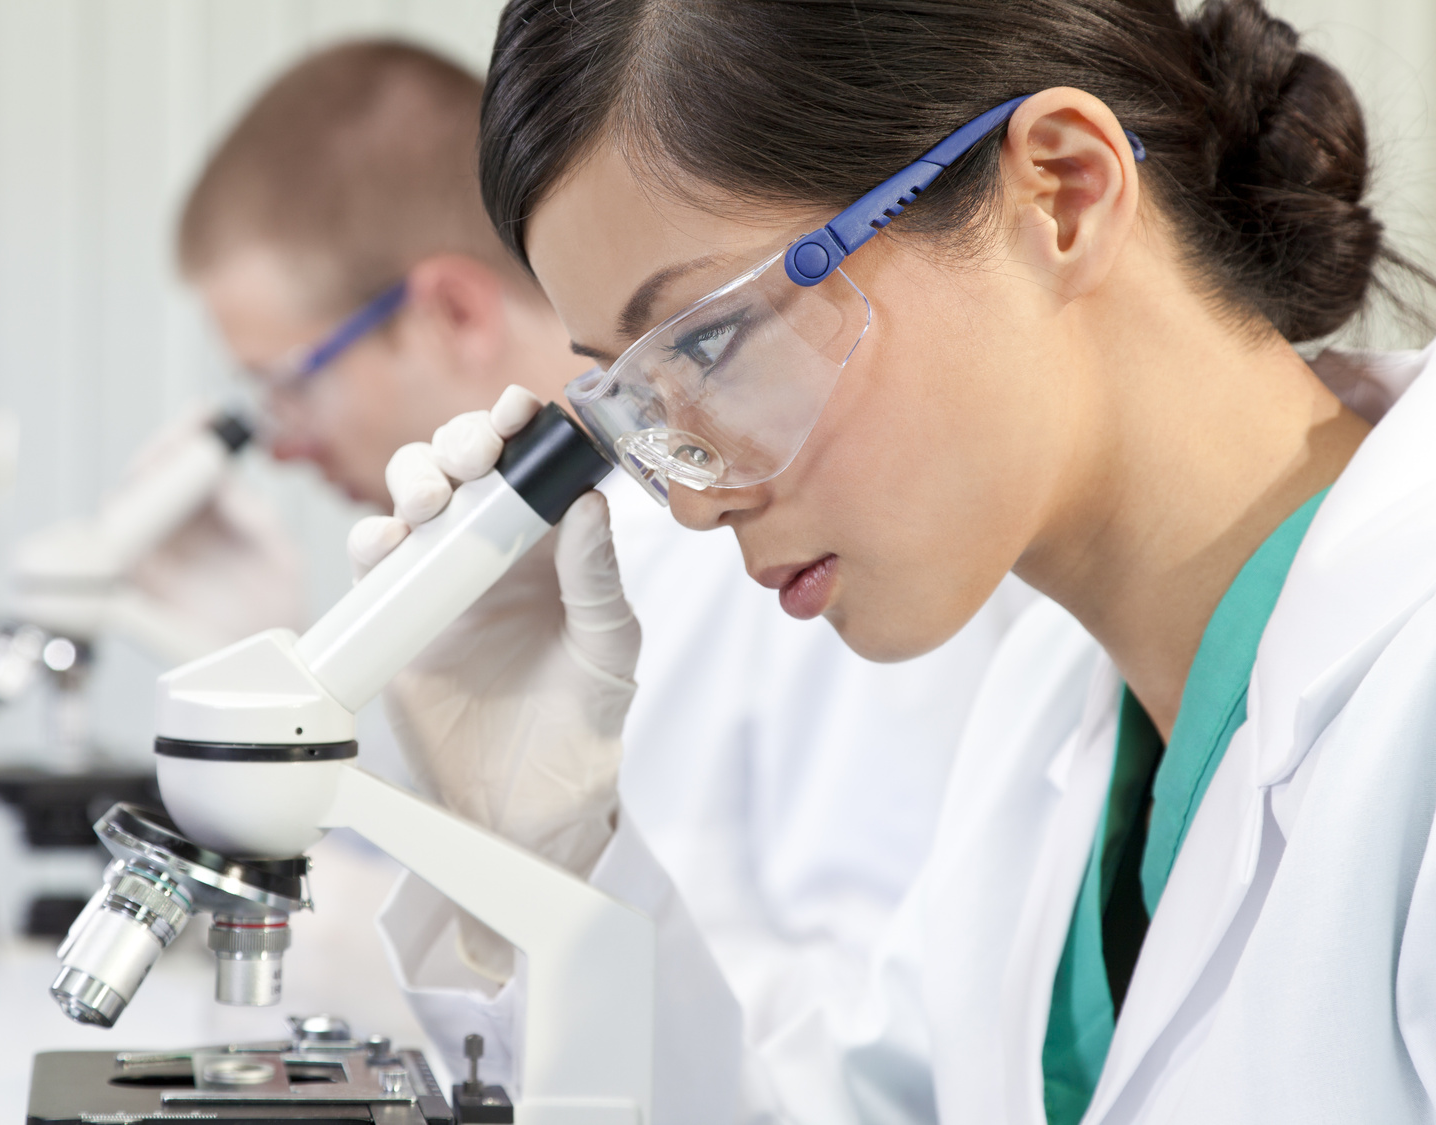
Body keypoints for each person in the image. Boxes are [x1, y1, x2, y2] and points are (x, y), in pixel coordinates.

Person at [350, 0, 1436, 1121]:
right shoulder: (1042, 728)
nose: (686, 501)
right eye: (632, 399)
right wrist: (532, 856)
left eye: (709, 343)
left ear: (1061, 192)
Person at [176, 39, 1030, 1092]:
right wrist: (528, 872)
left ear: (449, 311)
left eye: (287, 385)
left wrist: (524, 915)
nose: (284, 443)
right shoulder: (516, 588)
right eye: (619, 374)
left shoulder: (837, 533)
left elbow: (886, 1062)